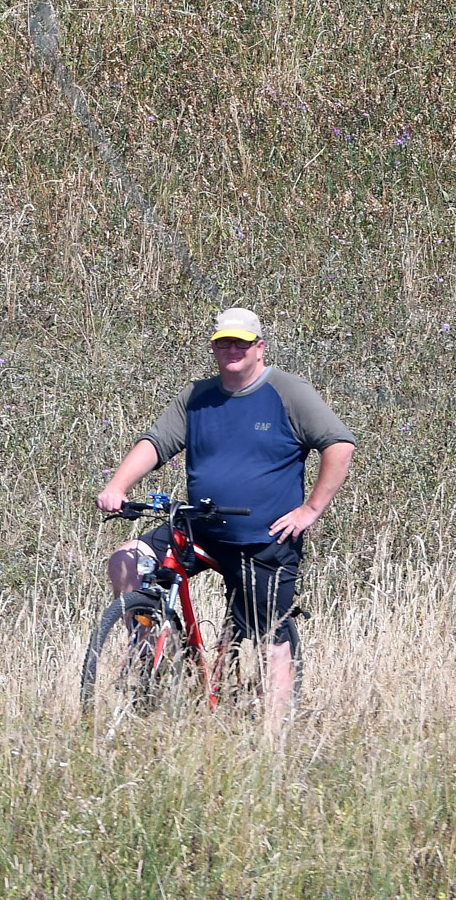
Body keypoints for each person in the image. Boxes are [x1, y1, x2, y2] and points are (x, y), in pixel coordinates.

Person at [95, 308, 355, 727]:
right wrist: (117, 487)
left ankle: (273, 743)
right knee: (126, 559)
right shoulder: (198, 396)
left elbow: (338, 445)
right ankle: (146, 661)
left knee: (271, 635)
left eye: (241, 343)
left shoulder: (289, 393)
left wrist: (310, 510)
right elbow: (158, 442)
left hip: (263, 539)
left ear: (259, 348)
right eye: (223, 343)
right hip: (200, 526)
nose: (231, 351)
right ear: (214, 347)